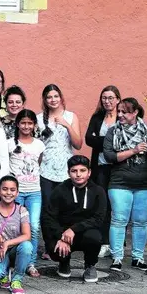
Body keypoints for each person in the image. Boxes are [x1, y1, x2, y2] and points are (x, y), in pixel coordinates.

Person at [104, 97, 147, 271]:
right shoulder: (113, 132)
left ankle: (138, 257)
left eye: (124, 112)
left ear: (135, 113)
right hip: (120, 182)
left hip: (146, 182)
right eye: (118, 111)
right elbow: (110, 156)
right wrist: (133, 150)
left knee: (141, 221)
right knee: (119, 220)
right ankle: (117, 257)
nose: (119, 115)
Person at [41, 155, 110, 283]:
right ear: (68, 173)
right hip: (62, 232)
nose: (78, 174)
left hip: (85, 232)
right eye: (74, 171)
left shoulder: (98, 191)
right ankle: (64, 262)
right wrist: (61, 236)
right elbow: (48, 217)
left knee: (94, 237)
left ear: (89, 172)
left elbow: (98, 218)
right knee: (53, 246)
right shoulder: (59, 190)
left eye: (82, 170)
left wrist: (73, 230)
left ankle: (90, 265)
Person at [36, 85, 84, 234]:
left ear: (61, 98)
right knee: (48, 207)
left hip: (65, 170)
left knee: (65, 206)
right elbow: (36, 146)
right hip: (45, 169)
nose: (53, 99)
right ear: (45, 100)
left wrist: (67, 125)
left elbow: (78, 144)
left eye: (56, 96)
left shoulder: (71, 116)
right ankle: (50, 243)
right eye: (49, 97)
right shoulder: (38, 118)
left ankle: (63, 240)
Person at [8, 109, 46, 275]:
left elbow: (39, 162)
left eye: (30, 123)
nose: (26, 126)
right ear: (17, 124)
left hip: (34, 192)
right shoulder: (10, 143)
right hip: (16, 192)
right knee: (14, 226)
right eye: (23, 123)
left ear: (34, 125)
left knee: (34, 226)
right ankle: (12, 260)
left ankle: (30, 263)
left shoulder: (39, 144)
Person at [0, 175, 35, 294]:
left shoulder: (21, 210)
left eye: (12, 190)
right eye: (5, 189)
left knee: (27, 246)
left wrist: (7, 243)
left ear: (17, 193)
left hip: (14, 250)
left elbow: (27, 235)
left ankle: (17, 280)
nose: (8, 193)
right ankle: (5, 273)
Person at [84, 85, 122, 189]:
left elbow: (122, 142)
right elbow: (88, 139)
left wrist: (99, 140)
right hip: (100, 164)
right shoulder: (97, 117)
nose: (106, 101)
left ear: (118, 100)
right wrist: (111, 142)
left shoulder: (122, 117)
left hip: (118, 166)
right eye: (104, 98)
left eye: (110, 98)